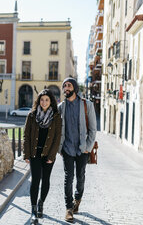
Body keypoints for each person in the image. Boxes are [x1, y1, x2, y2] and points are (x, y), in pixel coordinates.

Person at [58, 77, 97, 223]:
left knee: (80, 177)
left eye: (68, 86)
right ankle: (68, 208)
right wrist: (59, 147)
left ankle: (77, 200)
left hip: (82, 149)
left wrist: (88, 147)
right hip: (67, 148)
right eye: (64, 86)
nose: (65, 88)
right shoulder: (61, 107)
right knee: (68, 178)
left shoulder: (87, 105)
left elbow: (93, 129)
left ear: (74, 87)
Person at [23, 89, 62, 224]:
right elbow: (26, 136)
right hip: (35, 154)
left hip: (48, 155)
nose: (44, 102)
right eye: (41, 99)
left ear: (51, 101)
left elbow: (57, 138)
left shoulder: (56, 117)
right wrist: (26, 154)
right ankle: (33, 211)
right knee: (35, 181)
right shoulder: (32, 115)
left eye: (46, 100)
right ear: (38, 101)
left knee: (45, 180)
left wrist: (52, 155)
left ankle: (41, 202)